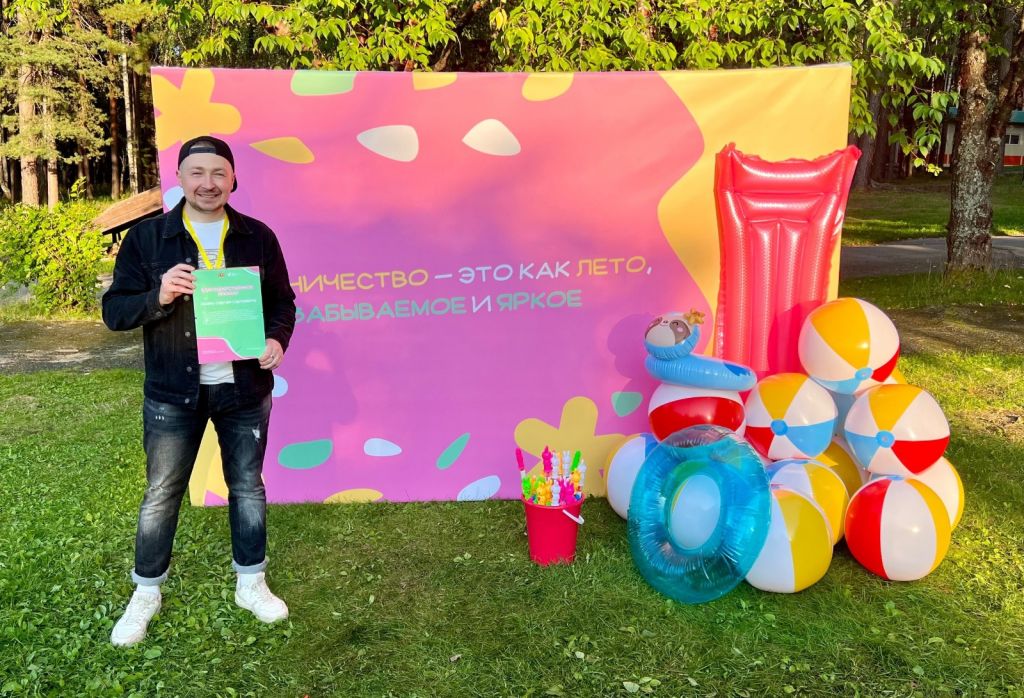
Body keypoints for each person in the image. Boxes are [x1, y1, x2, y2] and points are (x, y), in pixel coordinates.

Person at [102, 136, 296, 647]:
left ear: (233, 179)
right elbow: (114, 312)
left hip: (244, 389)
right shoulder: (148, 239)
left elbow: (283, 302)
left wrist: (276, 338)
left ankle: (251, 582)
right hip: (173, 391)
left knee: (248, 485)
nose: (208, 183)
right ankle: (146, 591)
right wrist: (159, 294)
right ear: (180, 179)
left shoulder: (257, 236)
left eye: (218, 173)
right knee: (161, 492)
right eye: (197, 172)